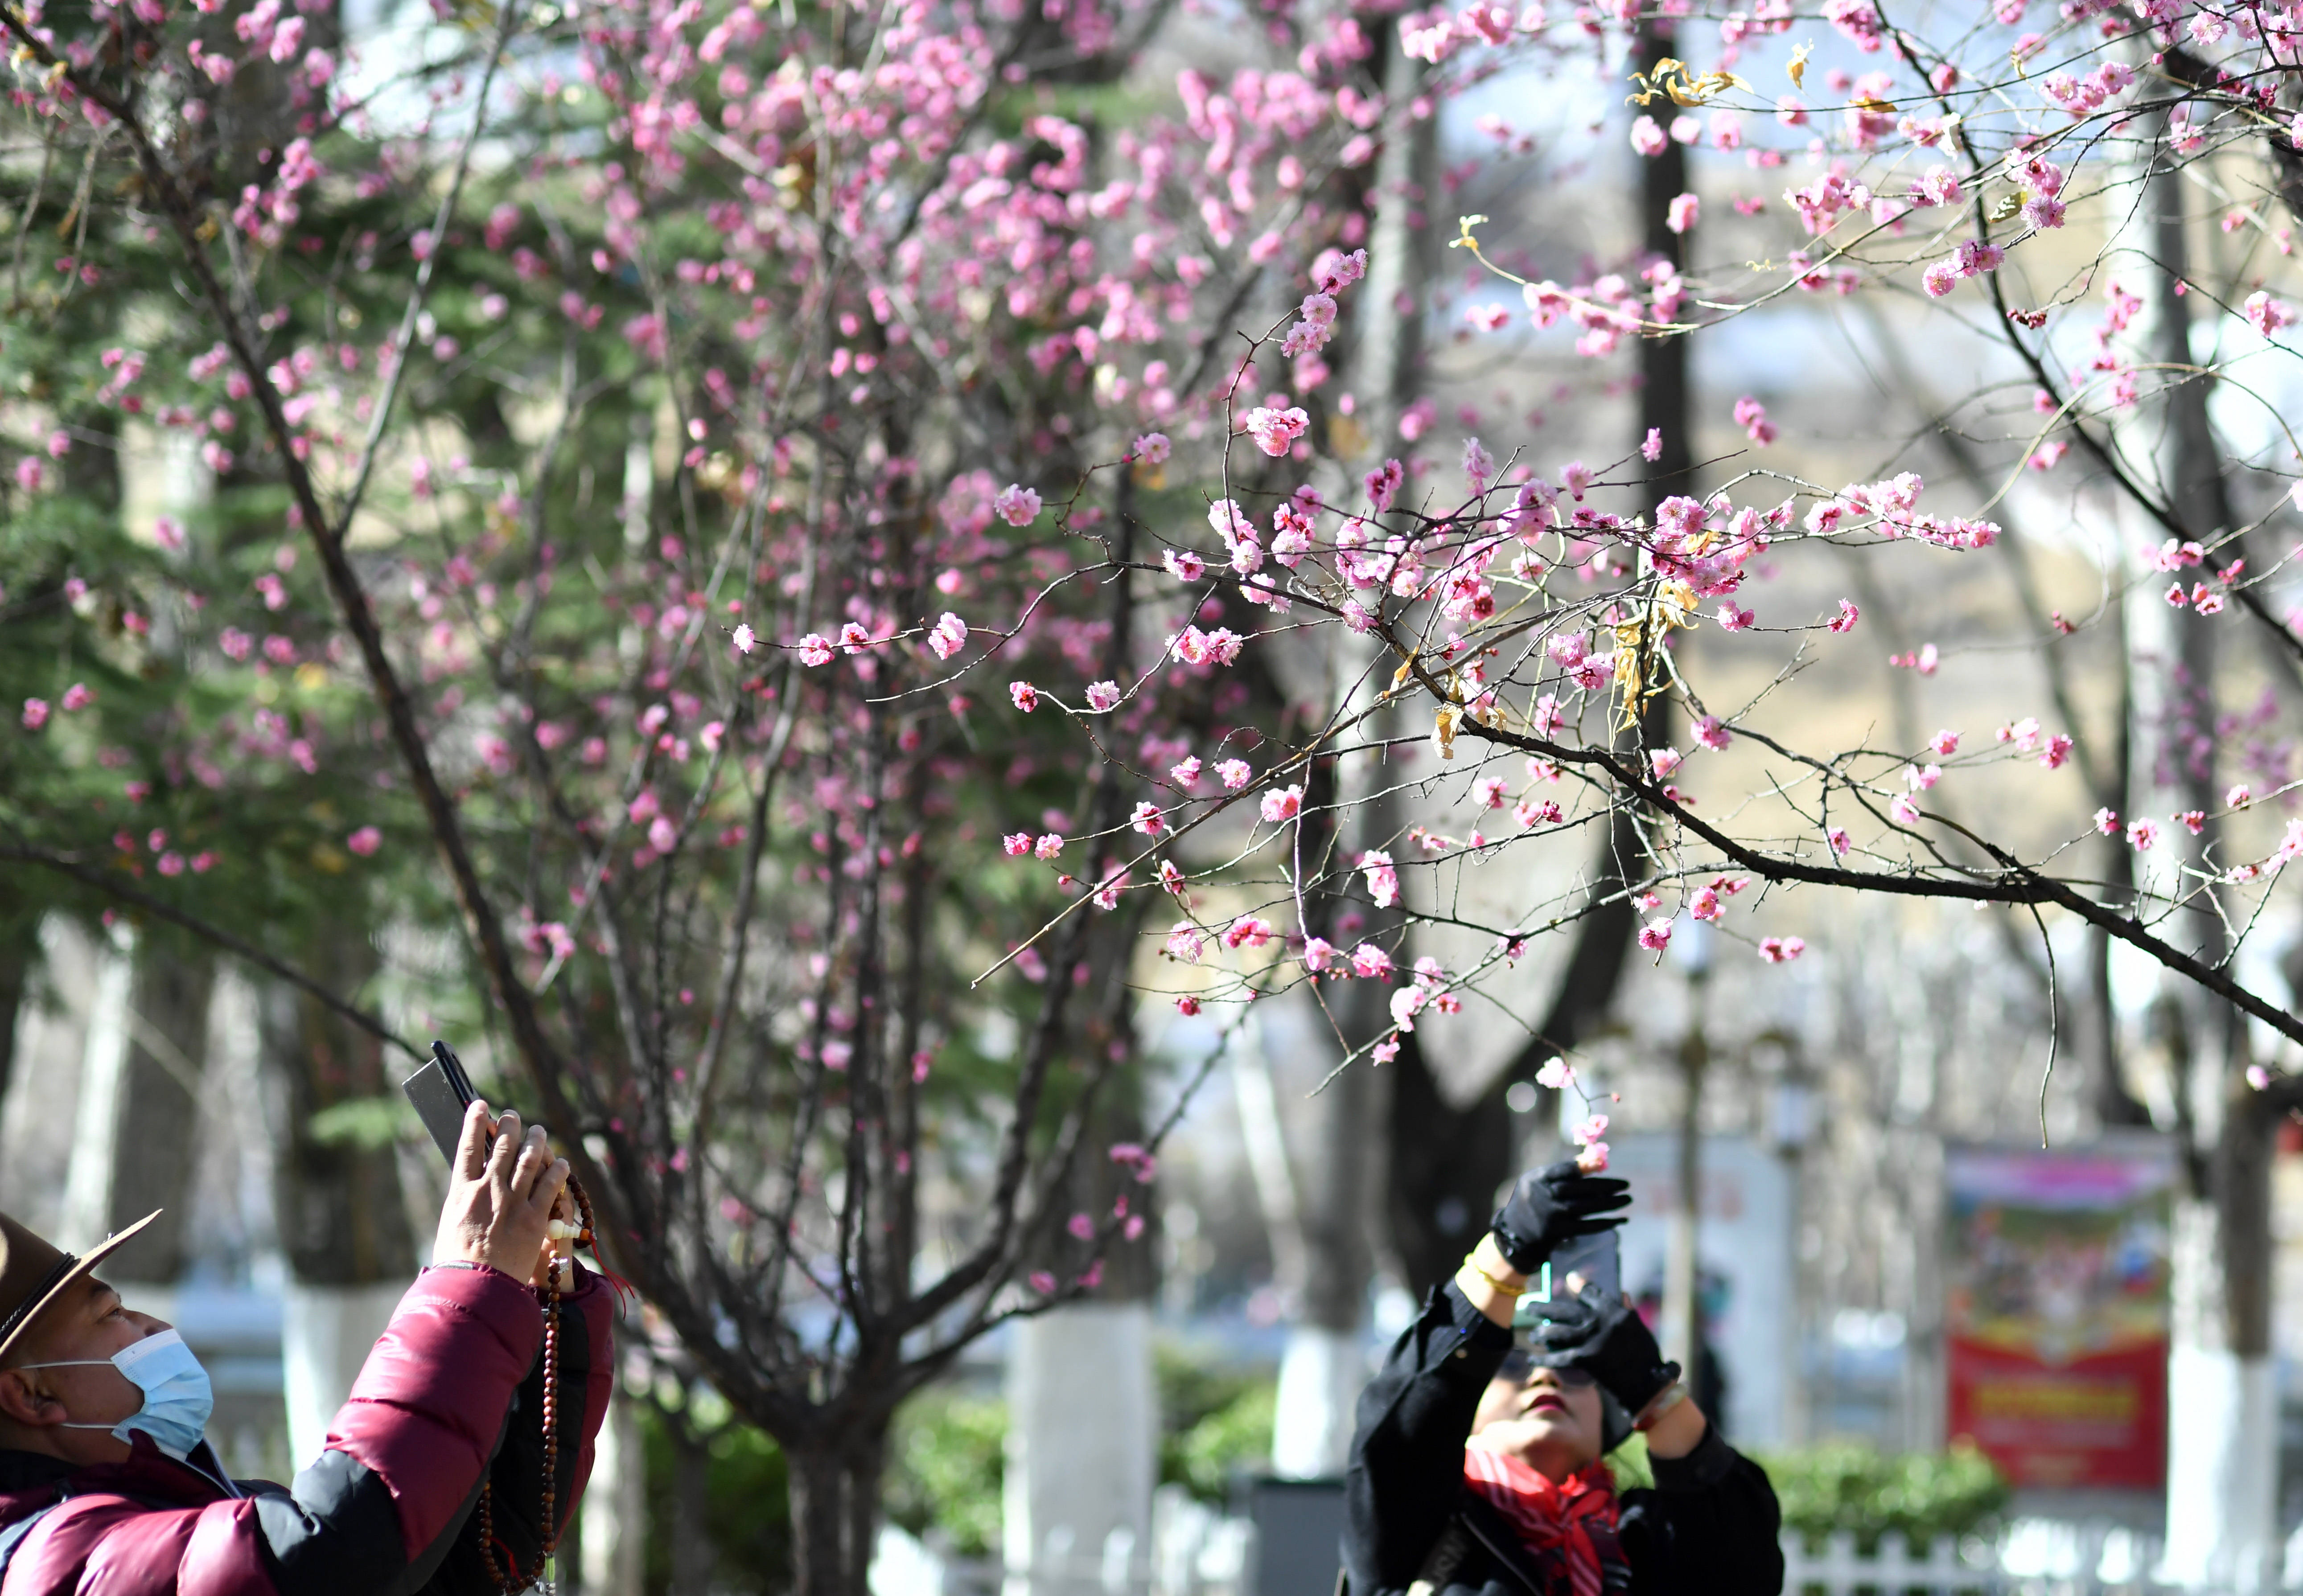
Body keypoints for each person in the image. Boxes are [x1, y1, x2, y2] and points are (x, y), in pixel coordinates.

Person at [0, 1100, 614, 1596]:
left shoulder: (185, 1512)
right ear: (29, 1393)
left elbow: (466, 1562)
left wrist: (539, 1303)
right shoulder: (63, 1559)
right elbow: (334, 1553)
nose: (154, 1327)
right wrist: (469, 1286)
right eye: (110, 1314)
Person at [1344, 1161, 1783, 1596]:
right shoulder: (1416, 1519)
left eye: (1574, 1367)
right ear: (1467, 1405)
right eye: (1513, 1361)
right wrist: (1506, 1250)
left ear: (1609, 1418)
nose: (1545, 1375)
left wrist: (1652, 1387)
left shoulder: (1645, 1537)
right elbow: (1402, 1429)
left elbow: (1744, 1562)